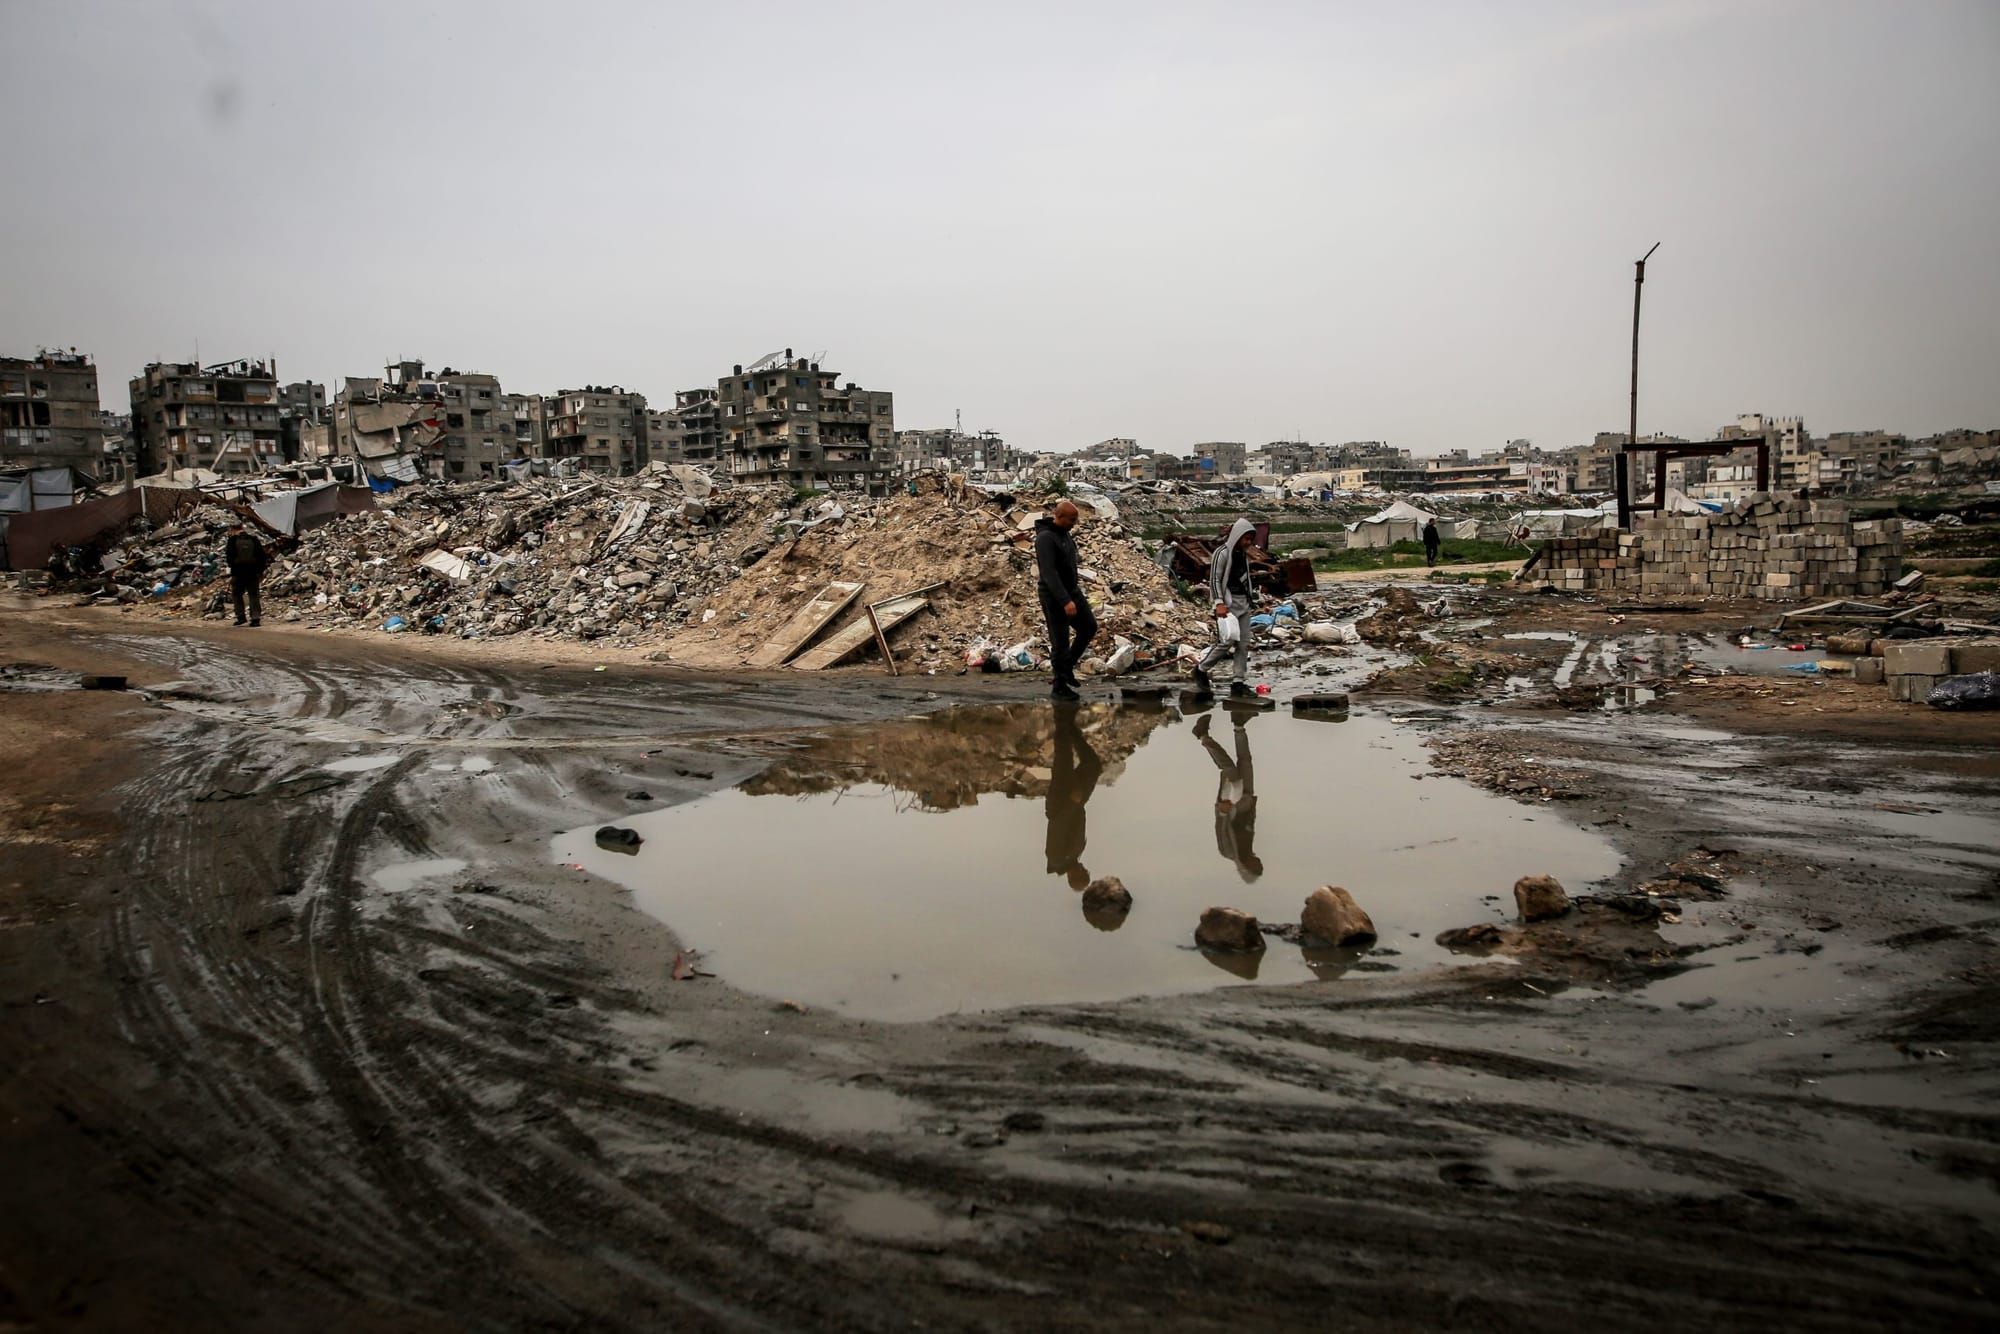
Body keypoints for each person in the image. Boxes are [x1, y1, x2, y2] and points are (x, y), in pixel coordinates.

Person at [1033, 499, 1095, 701]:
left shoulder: (1064, 534)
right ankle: (1059, 686)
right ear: (1058, 516)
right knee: (1060, 641)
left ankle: (1066, 669)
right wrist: (1064, 600)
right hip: (1054, 596)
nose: (1074, 523)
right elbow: (1049, 573)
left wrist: (1072, 594)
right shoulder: (1045, 539)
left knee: (1089, 627)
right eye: (1071, 519)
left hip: (1072, 591)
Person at [1195, 706, 1262, 883]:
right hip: (1246, 800)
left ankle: (1202, 735)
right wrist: (1252, 804)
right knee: (1246, 760)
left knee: (1228, 768)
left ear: (1246, 867)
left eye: (1255, 866)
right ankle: (1239, 724)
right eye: (1259, 865)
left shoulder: (1228, 851)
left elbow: (1221, 827)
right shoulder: (1248, 848)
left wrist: (1223, 810)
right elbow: (1249, 823)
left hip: (1230, 804)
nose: (1257, 861)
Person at [1193, 517, 1257, 696]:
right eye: (1246, 538)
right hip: (1227, 604)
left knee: (1243, 644)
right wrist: (1218, 603)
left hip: (1243, 603)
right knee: (1226, 641)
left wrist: (1251, 599)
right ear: (1237, 536)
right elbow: (1214, 579)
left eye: (1251, 539)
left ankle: (1238, 682)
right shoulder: (1222, 553)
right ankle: (1201, 669)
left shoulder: (1242, 554)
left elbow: (1246, 579)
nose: (1248, 542)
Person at [1044, 703, 1103, 890]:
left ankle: (1062, 715)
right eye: (1086, 872)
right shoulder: (1075, 855)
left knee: (1063, 755)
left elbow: (1057, 825)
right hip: (1075, 802)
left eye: (1083, 873)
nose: (1085, 869)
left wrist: (1071, 802)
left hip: (1062, 802)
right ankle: (1068, 723)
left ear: (1074, 877)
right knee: (1093, 765)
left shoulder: (1058, 857)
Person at [223, 520, 269, 627]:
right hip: (252, 572)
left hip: (238, 573)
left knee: (237, 594)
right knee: (253, 595)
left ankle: (241, 617)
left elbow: (229, 558)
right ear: (242, 527)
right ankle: (255, 618)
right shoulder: (254, 539)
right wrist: (260, 571)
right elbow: (261, 556)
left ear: (233, 529)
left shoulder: (232, 540)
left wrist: (233, 569)